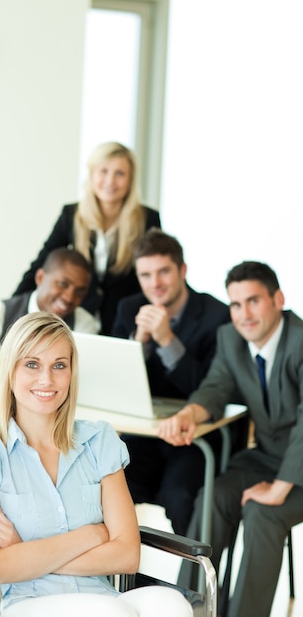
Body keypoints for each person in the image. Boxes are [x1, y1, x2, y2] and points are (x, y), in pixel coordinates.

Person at [0, 312, 193, 617]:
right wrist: (90, 536)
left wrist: (25, 549)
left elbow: (127, 555)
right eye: (32, 364)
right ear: (10, 372)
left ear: (71, 373)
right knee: (110, 613)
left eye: (59, 366)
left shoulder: (98, 442)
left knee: (173, 605)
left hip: (99, 594)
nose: (46, 379)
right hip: (18, 601)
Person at [158, 261, 303, 617]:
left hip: (297, 468)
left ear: (278, 299)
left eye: (254, 301)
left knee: (262, 513)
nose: (244, 314)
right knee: (214, 497)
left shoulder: (300, 342)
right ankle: (188, 608)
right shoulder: (231, 339)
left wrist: (280, 486)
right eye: (236, 305)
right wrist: (189, 415)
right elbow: (215, 387)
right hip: (268, 456)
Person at [112, 228, 231, 534]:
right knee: (110, 486)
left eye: (164, 272)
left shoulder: (217, 316)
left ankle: (185, 581)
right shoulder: (129, 308)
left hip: (193, 437)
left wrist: (167, 341)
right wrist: (139, 342)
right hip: (143, 435)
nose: (156, 283)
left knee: (180, 497)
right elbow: (118, 387)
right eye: (146, 275)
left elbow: (211, 387)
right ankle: (122, 578)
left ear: (182, 271)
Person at [0, 248, 99, 448]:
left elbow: (81, 392)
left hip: (51, 435)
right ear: (40, 277)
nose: (69, 297)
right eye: (63, 284)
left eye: (80, 291)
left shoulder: (84, 325)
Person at [13, 142, 161, 335]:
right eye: (103, 171)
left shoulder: (147, 219)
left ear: (130, 180)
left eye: (120, 173)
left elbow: (158, 268)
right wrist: (10, 316)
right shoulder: (72, 215)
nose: (110, 181)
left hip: (126, 323)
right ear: (92, 175)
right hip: (79, 319)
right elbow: (41, 266)